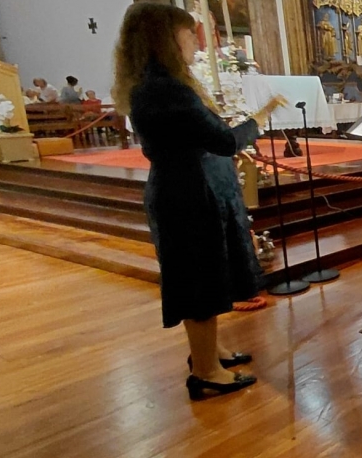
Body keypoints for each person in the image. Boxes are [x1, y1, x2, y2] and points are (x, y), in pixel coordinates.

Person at [112, 3, 288, 400]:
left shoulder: (158, 83)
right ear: (165, 39)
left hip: (188, 187)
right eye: (189, 34)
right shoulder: (166, 89)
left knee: (207, 274)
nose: (195, 41)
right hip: (187, 193)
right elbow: (223, 141)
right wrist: (259, 117)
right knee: (198, 280)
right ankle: (206, 371)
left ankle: (210, 352)